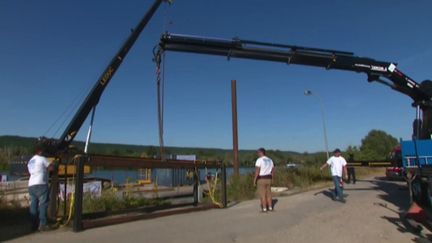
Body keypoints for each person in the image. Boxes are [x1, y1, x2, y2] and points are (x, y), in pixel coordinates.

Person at [27, 145, 54, 231]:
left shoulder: (30, 161)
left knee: (33, 205)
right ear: (40, 152)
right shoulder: (42, 158)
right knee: (43, 204)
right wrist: (54, 164)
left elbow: (30, 172)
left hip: (31, 185)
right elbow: (51, 168)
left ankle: (33, 224)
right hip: (41, 184)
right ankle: (43, 224)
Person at [254, 148, 275, 212]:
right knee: (269, 194)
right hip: (269, 178)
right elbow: (273, 170)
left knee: (262, 194)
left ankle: (264, 208)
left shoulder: (259, 160)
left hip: (261, 179)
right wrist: (272, 178)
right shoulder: (270, 160)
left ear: (261, 152)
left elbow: (257, 171)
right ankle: (270, 207)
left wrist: (254, 180)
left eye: (258, 153)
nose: (257, 154)